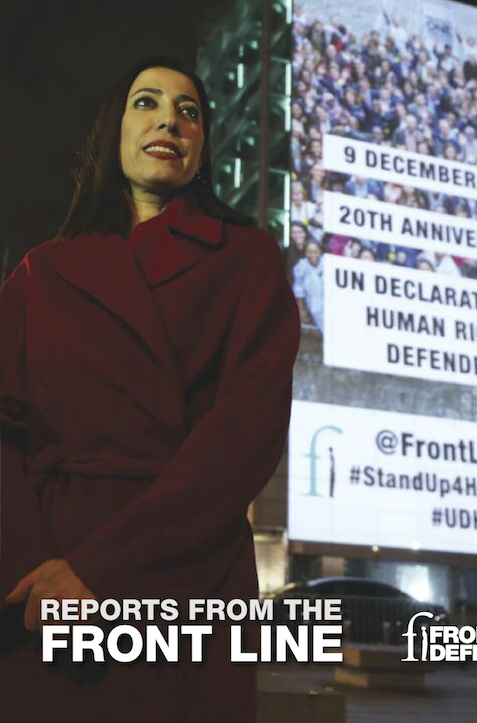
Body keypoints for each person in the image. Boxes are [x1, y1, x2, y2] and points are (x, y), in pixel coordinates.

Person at [0, 56, 301, 722]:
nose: (170, 119)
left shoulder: (248, 258)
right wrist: (32, 568)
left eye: (189, 112)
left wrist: (100, 571)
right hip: (44, 577)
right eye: (147, 102)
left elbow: (243, 438)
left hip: (186, 570)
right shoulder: (40, 271)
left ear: (201, 148)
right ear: (114, 129)